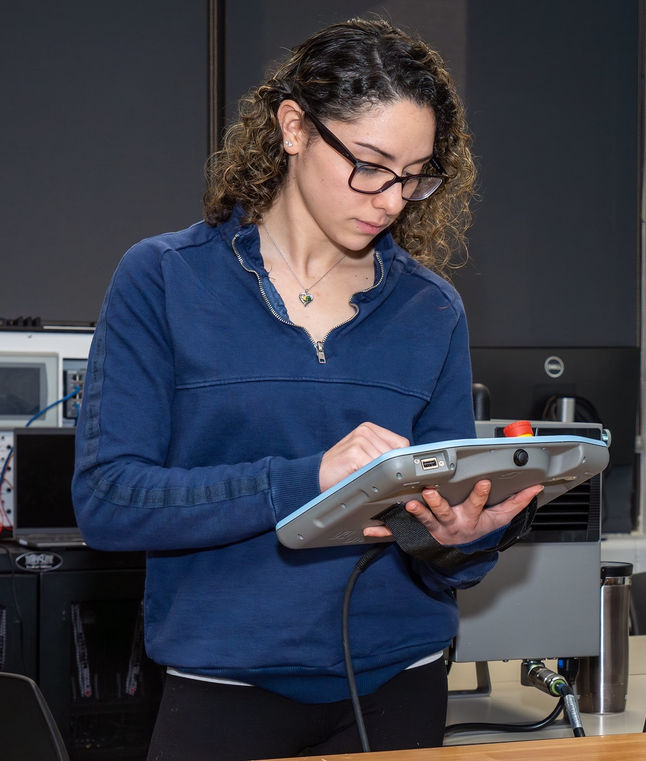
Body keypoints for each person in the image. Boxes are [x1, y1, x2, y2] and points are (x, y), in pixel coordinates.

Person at [71, 18, 540, 760]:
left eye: (415, 175)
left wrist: (459, 539)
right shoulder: (163, 280)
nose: (391, 199)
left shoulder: (431, 308)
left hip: (400, 685)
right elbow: (109, 501)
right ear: (294, 127)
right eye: (370, 164)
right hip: (221, 691)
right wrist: (307, 479)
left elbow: (429, 519)